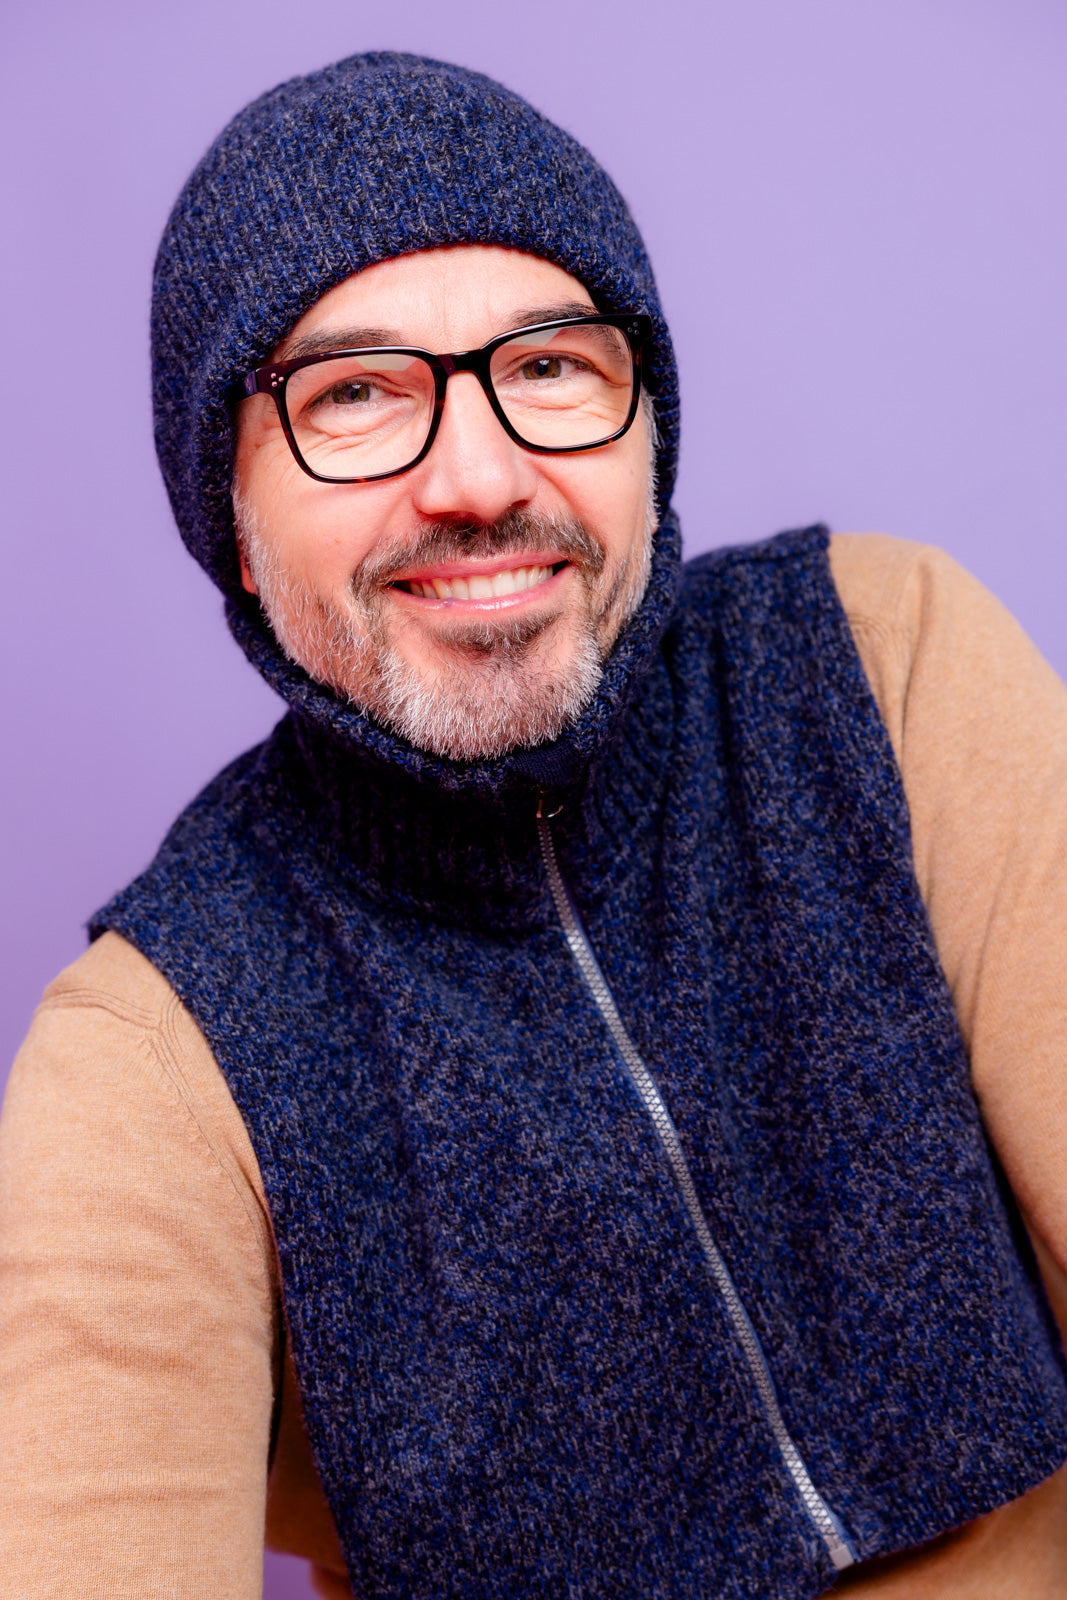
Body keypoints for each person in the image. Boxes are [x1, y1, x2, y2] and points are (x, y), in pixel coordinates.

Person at [2, 49, 1067, 1600]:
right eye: (353, 394)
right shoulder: (156, 1047)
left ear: (648, 430)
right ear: (226, 512)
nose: (481, 476)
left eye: (551, 366)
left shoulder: (883, 661)